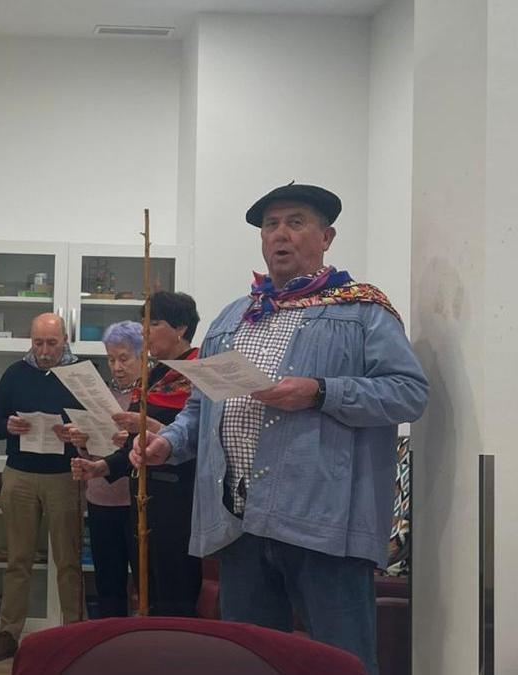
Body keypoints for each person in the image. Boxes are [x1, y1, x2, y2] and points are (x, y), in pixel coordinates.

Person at [130, 183, 428, 674]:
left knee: (342, 662)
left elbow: (408, 393)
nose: (280, 235)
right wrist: (168, 442)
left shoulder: (363, 311)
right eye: (271, 225)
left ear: (326, 236)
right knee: (251, 661)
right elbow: (202, 410)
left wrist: (320, 391)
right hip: (239, 523)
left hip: (324, 527)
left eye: (296, 222)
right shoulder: (232, 317)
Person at [73, 292, 203, 616]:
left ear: (181, 328)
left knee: (176, 592)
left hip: (180, 501)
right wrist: (100, 467)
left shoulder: (199, 373)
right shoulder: (153, 376)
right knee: (148, 591)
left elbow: (203, 437)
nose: (144, 331)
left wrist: (154, 427)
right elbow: (134, 441)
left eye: (154, 323)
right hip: (143, 498)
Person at [0, 313, 82, 663]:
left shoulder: (79, 374)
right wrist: (7, 425)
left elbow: (98, 424)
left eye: (51, 343)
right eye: (38, 342)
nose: (44, 350)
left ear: (65, 339)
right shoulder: (14, 373)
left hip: (64, 475)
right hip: (20, 474)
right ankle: (8, 634)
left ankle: (75, 633)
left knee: (68, 561)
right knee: (17, 559)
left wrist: (75, 433)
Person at [63, 320, 141, 618]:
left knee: (144, 581)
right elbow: (89, 448)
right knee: (108, 580)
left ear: (141, 356)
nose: (116, 367)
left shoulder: (149, 395)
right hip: (100, 498)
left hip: (136, 500)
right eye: (110, 359)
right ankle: (111, 649)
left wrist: (132, 440)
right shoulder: (98, 394)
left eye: (124, 358)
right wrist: (80, 441)